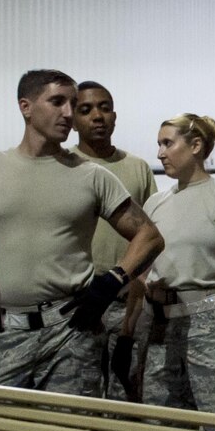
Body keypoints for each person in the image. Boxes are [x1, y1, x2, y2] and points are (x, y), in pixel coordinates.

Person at [0, 69, 161, 397]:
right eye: (57, 102)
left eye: (73, 103)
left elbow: (149, 236)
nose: (69, 113)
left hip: (71, 334)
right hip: (4, 335)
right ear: (25, 107)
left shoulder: (91, 176)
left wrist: (114, 280)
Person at [133, 114, 215, 415]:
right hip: (161, 329)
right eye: (158, 144)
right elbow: (142, 272)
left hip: (211, 326)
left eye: (167, 143)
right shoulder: (155, 203)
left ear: (196, 146)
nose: (160, 153)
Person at [72, 80, 158, 399]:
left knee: (130, 396)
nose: (97, 116)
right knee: (79, 397)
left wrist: (140, 288)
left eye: (104, 108)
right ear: (73, 118)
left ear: (115, 116)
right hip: (80, 301)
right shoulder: (62, 167)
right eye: (86, 109)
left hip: (128, 301)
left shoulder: (137, 168)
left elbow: (154, 235)